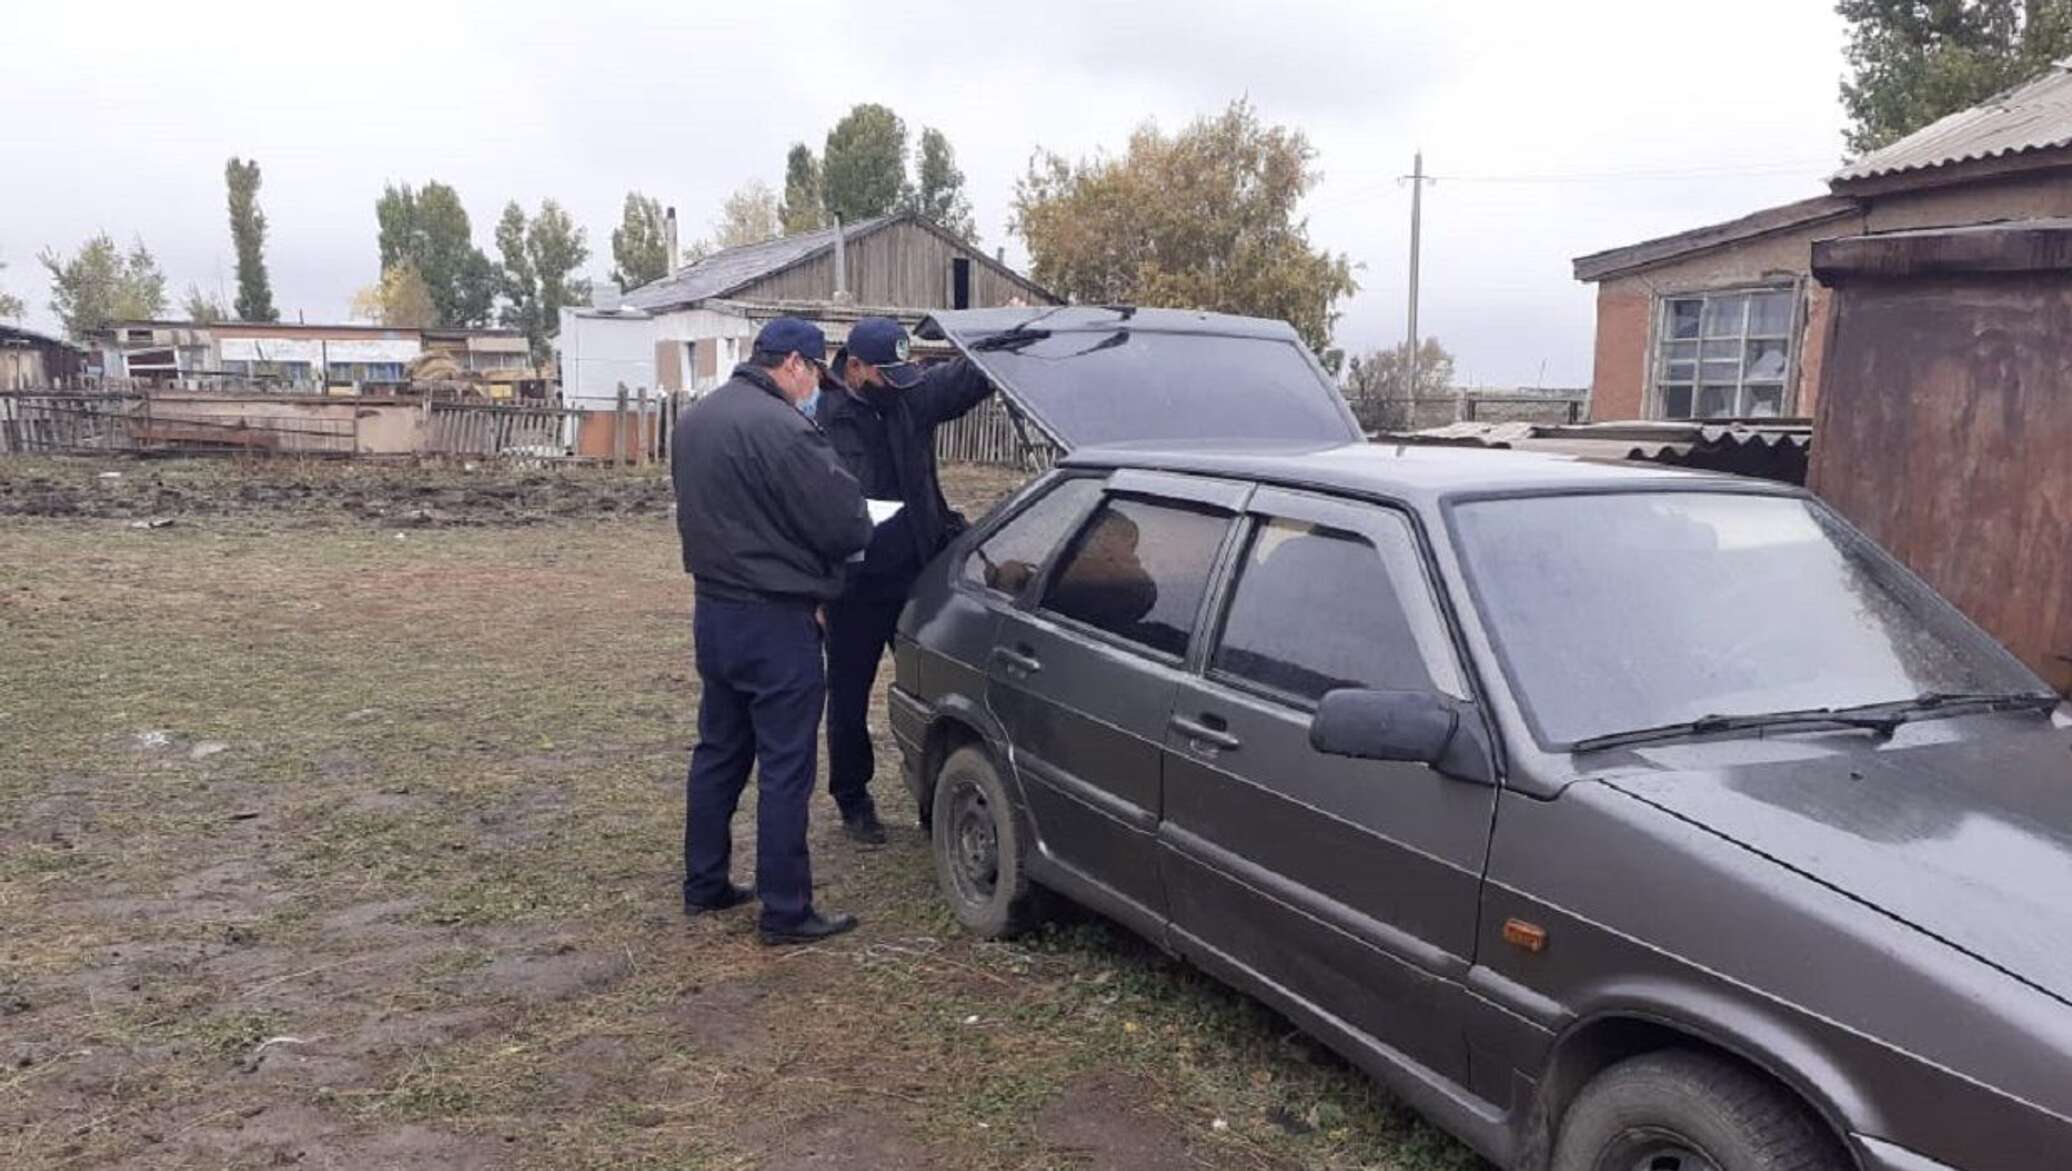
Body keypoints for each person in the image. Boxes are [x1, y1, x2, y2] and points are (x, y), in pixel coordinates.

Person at [671, 317, 873, 945]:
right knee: (786, 764)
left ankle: (704, 882)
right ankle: (785, 909)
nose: (816, 386)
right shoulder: (787, 430)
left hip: (715, 611)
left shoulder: (696, 420)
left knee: (719, 750)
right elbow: (846, 526)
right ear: (792, 365)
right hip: (776, 619)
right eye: (815, 374)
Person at [816, 316, 996, 843]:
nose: (898, 383)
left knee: (937, 687)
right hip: (855, 588)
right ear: (855, 368)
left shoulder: (907, 396)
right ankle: (852, 798)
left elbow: (964, 380)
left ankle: (936, 792)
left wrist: (1003, 333)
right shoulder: (826, 420)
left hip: (918, 576)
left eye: (903, 371)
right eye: (886, 374)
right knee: (848, 695)